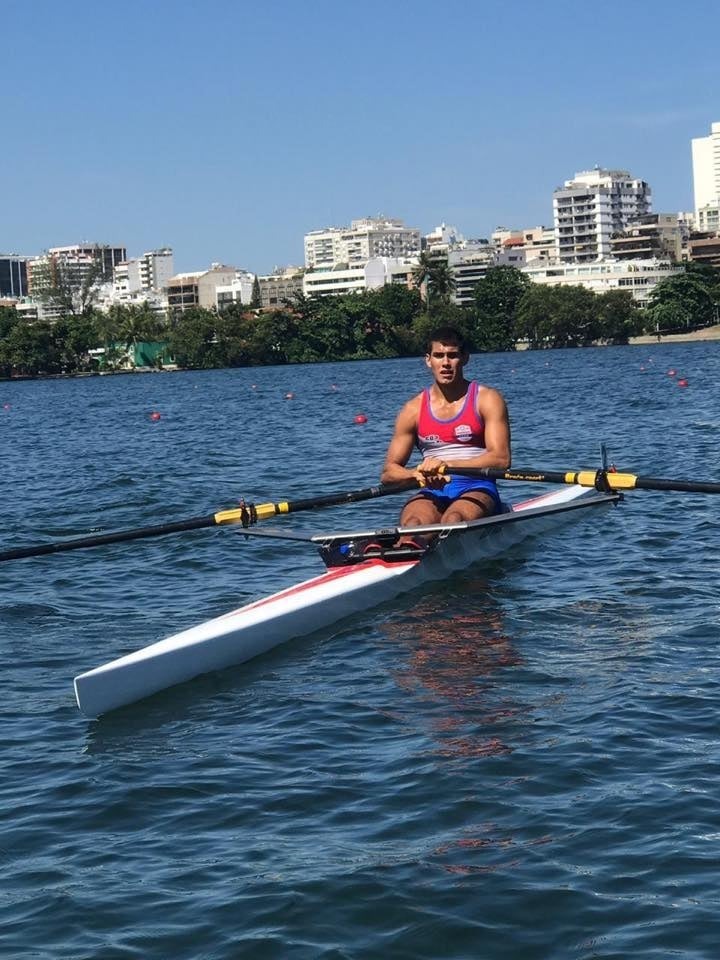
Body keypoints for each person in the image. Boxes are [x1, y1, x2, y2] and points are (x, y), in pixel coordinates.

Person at [381, 326, 511, 531]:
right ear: (428, 360)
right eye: (439, 356)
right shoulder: (412, 409)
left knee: (453, 519)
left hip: (477, 486)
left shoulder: (487, 399)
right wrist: (415, 474)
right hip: (433, 489)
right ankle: (405, 549)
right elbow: (389, 472)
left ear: (465, 358)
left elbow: (501, 459)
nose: (446, 363)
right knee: (413, 525)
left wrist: (445, 464)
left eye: (452, 355)